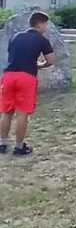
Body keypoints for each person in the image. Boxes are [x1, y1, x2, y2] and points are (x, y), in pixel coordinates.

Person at [0, 10, 55, 156]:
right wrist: (39, 65)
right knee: (22, 113)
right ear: (40, 24)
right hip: (26, 77)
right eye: (46, 24)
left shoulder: (15, 36)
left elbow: (12, 54)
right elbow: (51, 60)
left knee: (6, 112)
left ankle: (2, 143)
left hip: (8, 76)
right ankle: (19, 147)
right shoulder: (42, 40)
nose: (46, 28)